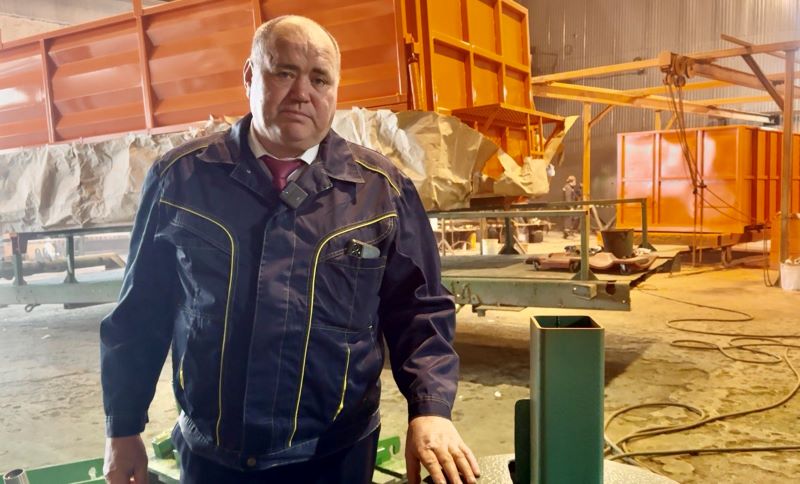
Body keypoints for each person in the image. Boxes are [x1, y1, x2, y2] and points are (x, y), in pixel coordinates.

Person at [100, 15, 479, 484]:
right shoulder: (181, 180)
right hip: (214, 455)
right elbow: (140, 313)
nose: (302, 93)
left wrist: (431, 408)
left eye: (320, 79)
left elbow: (419, 310)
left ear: (335, 91)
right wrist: (122, 427)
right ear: (249, 76)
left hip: (334, 456)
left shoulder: (381, 192)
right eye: (284, 72)